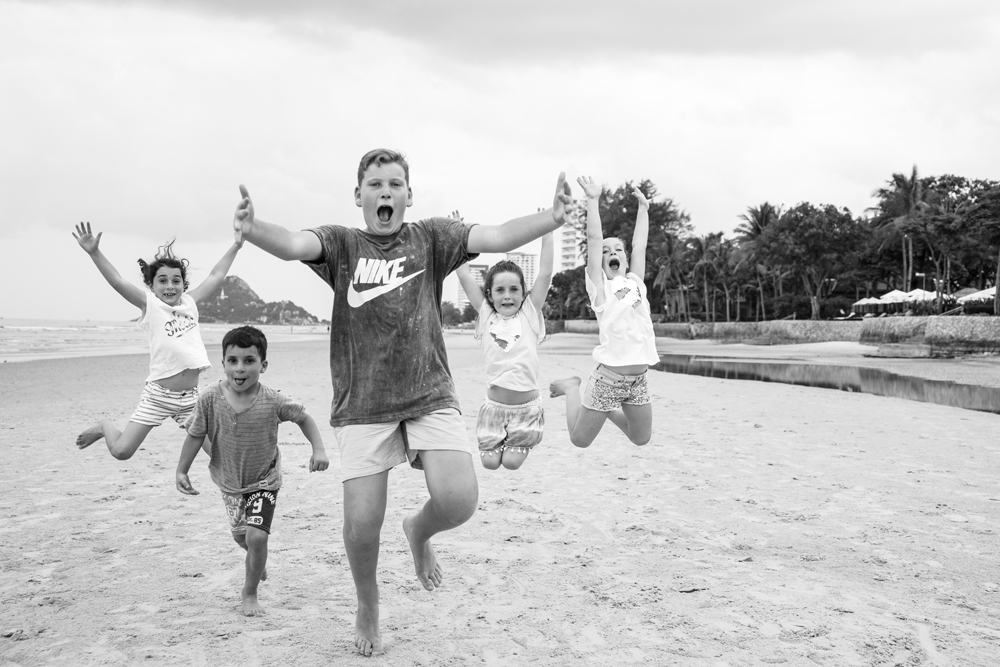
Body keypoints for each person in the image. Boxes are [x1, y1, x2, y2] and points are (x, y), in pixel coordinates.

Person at [231, 148, 570, 656]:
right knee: (362, 525)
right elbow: (294, 243)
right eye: (374, 184)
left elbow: (496, 236)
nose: (384, 192)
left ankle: (418, 530)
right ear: (359, 195)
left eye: (394, 184)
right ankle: (368, 603)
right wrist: (254, 228)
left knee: (459, 501)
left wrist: (553, 218)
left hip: (428, 392)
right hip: (364, 403)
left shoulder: (433, 237)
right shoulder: (341, 244)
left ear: (409, 195)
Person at [175, 325, 329, 616]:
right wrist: (181, 471)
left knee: (257, 537)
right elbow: (195, 434)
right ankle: (258, 559)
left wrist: (318, 450)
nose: (240, 368)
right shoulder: (209, 398)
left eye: (249, 360)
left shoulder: (273, 400)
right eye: (232, 360)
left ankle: (249, 593)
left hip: (264, 481)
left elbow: (304, 418)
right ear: (223, 364)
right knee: (242, 538)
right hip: (230, 482)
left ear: (263, 365)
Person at [73, 222, 242, 460]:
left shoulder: (189, 304)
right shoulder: (150, 305)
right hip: (158, 396)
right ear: (151, 286)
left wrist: (236, 245)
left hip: (191, 399)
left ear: (184, 284)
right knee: (122, 452)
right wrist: (94, 252)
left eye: (176, 280)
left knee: (219, 453)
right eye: (162, 280)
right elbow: (117, 282)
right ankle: (104, 426)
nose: (170, 286)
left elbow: (216, 275)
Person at [549, 176, 658, 448]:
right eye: (607, 251)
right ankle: (572, 387)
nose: (613, 253)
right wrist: (593, 200)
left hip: (638, 379)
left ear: (624, 257)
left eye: (618, 249)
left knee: (640, 438)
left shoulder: (635, 282)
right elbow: (594, 238)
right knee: (579, 439)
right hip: (608, 378)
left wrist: (643, 209)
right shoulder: (600, 289)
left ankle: (604, 408)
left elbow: (640, 245)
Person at [455, 230, 554, 470]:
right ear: (489, 294)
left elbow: (545, 273)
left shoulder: (529, 313)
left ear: (523, 293)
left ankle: (529, 432)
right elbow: (465, 276)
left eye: (513, 290)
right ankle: (503, 437)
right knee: (489, 463)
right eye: (500, 290)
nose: (507, 296)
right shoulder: (487, 314)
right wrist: (457, 237)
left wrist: (547, 229)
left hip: (526, 409)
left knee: (511, 462)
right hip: (494, 409)